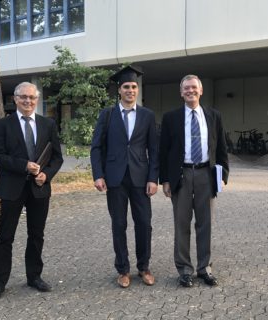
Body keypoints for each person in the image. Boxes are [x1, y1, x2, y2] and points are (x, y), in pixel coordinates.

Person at [0, 82, 63, 302]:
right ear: (15, 99)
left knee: (36, 235)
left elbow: (57, 157)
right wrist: (24, 166)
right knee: (5, 236)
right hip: (11, 187)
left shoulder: (47, 124)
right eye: (23, 97)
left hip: (39, 188)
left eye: (32, 97)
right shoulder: (3, 125)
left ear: (37, 99)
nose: (28, 101)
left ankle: (34, 276)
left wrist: (46, 175)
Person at [90, 66, 159, 288]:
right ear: (119, 90)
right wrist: (98, 175)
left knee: (144, 224)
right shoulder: (107, 115)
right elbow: (96, 147)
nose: (130, 90)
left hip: (141, 178)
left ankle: (144, 267)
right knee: (118, 224)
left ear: (137, 90)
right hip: (115, 178)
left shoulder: (147, 116)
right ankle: (123, 269)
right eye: (126, 87)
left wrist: (153, 178)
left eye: (134, 87)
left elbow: (154, 149)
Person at [159, 75, 229, 288]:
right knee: (181, 224)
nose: (190, 91)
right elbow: (164, 151)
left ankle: (204, 268)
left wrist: (223, 174)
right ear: (181, 92)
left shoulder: (214, 116)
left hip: (205, 174)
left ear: (201, 91)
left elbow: (221, 147)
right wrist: (165, 180)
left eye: (194, 88)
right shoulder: (171, 118)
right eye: (186, 88)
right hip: (181, 175)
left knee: (205, 223)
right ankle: (184, 270)